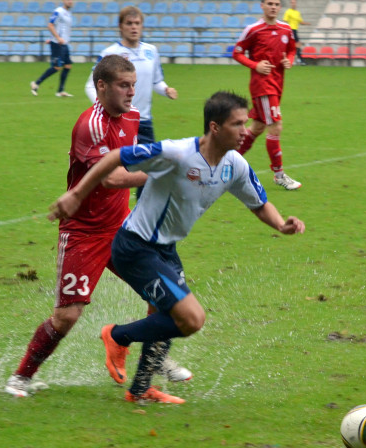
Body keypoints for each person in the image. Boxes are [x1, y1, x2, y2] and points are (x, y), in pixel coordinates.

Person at [47, 91, 306, 404]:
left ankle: (140, 391)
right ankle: (116, 336)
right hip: (135, 246)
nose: (245, 130)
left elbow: (259, 203)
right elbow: (115, 158)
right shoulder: (177, 153)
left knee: (166, 318)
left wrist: (281, 224)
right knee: (190, 319)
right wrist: (76, 195)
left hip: (166, 249)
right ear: (215, 127)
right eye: (238, 124)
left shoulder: (234, 165)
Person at [5, 55, 187, 397]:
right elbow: (111, 177)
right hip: (83, 232)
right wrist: (160, 174)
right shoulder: (91, 124)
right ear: (101, 86)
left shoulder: (132, 116)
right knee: (66, 317)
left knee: (164, 296)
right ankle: (21, 377)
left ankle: (149, 370)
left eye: (134, 85)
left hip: (122, 229)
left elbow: (136, 156)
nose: (131, 92)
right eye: (123, 85)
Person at [85, 6, 178, 199]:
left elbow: (156, 81)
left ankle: (141, 213)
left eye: (137, 23)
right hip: (118, 123)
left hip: (143, 122)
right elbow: (90, 85)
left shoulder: (151, 51)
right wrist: (105, 109)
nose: (134, 27)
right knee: (116, 172)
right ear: (120, 26)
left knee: (150, 169)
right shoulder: (110, 53)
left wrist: (166, 89)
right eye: (129, 23)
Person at [233, 0, 301, 191]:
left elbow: (292, 49)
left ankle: (226, 161)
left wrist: (289, 60)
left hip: (278, 84)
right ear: (262, 5)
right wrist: (256, 65)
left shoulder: (286, 29)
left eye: (277, 4)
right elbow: (237, 53)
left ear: (280, 7)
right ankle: (279, 175)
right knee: (275, 126)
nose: (273, 7)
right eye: (269, 3)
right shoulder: (253, 29)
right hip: (262, 86)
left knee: (257, 126)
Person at [30, 0, 74, 97]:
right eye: (68, 0)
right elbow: (50, 25)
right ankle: (36, 84)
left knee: (67, 65)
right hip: (58, 44)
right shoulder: (58, 11)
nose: (70, 1)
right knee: (56, 67)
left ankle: (60, 91)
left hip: (64, 44)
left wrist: (51, 38)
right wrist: (57, 38)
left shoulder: (68, 13)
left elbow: (60, 27)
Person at [283, 0, 310, 65]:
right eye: (292, 3)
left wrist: (308, 23)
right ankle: (299, 60)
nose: (293, 4)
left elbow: (301, 22)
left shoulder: (297, 12)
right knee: (294, 45)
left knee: (296, 46)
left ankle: (298, 59)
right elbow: (285, 21)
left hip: (295, 30)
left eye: (294, 2)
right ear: (290, 4)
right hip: (290, 30)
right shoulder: (288, 12)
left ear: (296, 3)